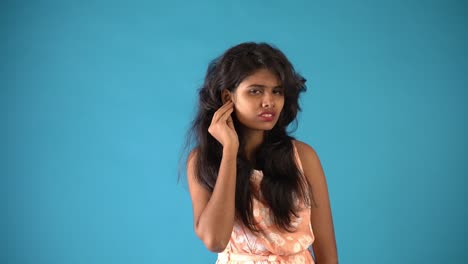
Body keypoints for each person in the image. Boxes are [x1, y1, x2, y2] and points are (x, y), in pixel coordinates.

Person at [184, 42, 338, 263]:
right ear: (228, 98)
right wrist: (229, 151)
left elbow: (327, 251)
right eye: (255, 91)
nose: (269, 102)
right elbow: (215, 240)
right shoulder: (203, 160)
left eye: (277, 91)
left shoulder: (303, 157)